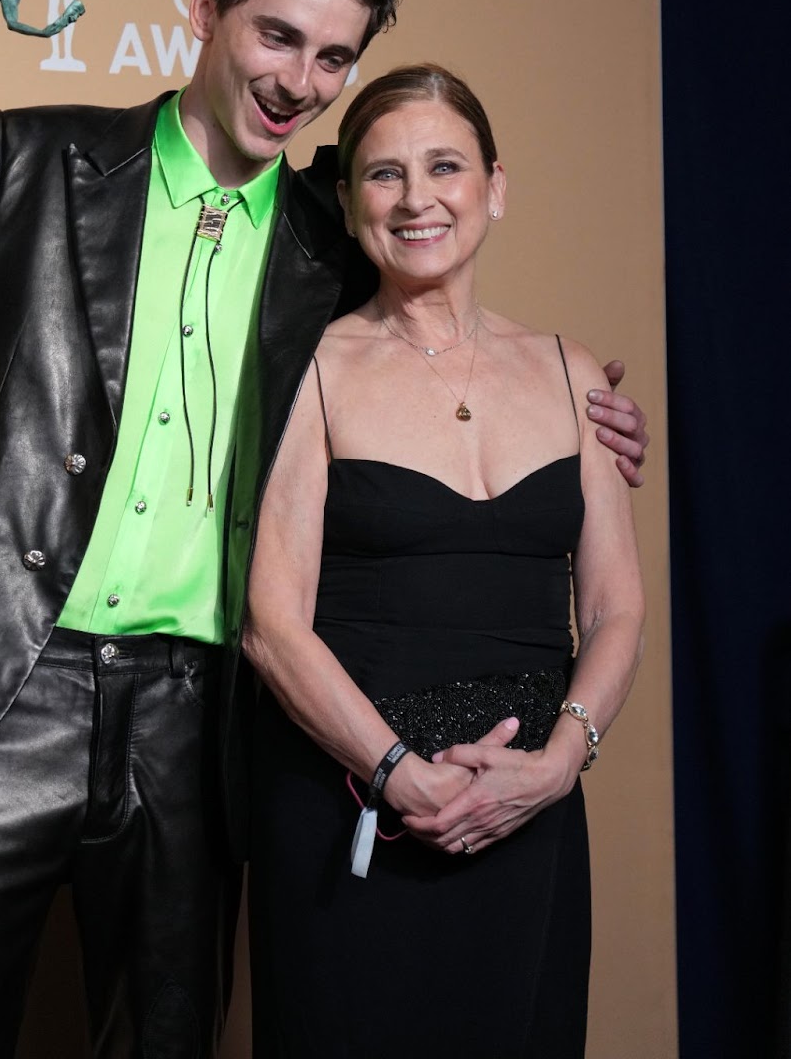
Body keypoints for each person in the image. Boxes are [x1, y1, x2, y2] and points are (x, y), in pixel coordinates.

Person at [0, 0, 648, 1059]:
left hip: (199, 721)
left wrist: (591, 410)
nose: (300, 82)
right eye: (278, 35)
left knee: (166, 1038)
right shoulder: (35, 161)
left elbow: (441, 355)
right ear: (203, 6)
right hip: (1, 677)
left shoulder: (328, 243)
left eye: (333, 58)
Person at [244, 63, 646, 1059]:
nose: (417, 197)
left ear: (494, 186)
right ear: (347, 205)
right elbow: (270, 624)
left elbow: (614, 612)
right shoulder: (309, 369)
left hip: (532, 811)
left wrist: (558, 763)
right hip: (352, 805)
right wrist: (394, 773)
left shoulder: (571, 372)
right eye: (383, 174)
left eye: (444, 166)